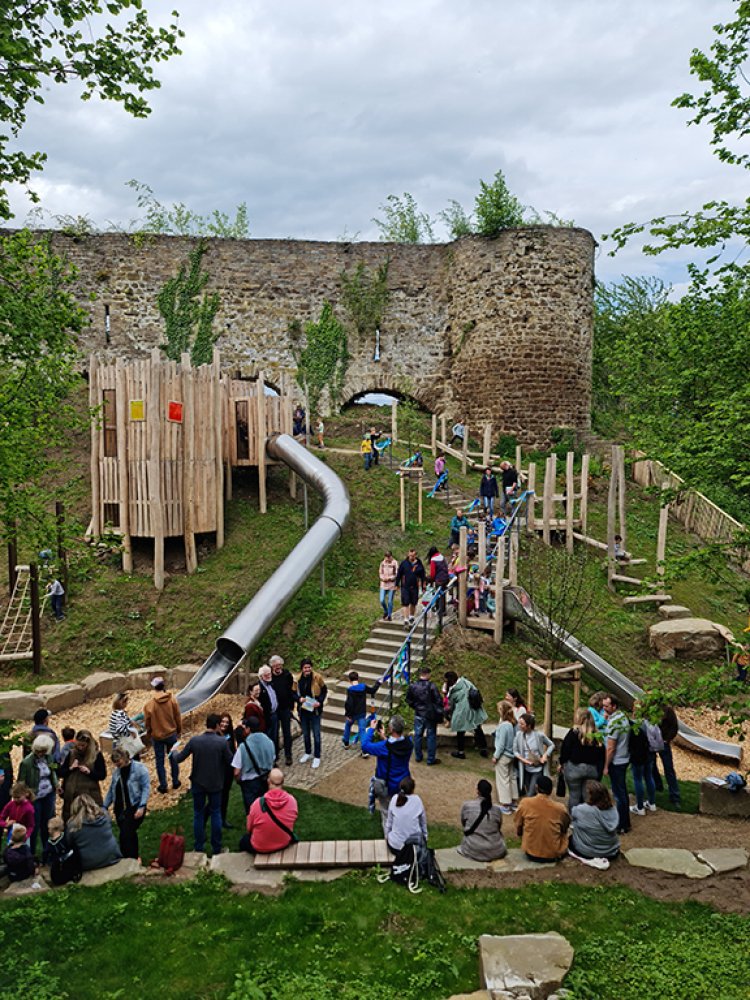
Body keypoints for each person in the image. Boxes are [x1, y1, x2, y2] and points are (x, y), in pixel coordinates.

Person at [172, 713, 233, 855]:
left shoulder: (195, 741)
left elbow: (179, 758)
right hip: (216, 783)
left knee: (198, 814)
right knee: (216, 813)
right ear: (218, 725)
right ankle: (217, 848)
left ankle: (199, 847)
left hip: (198, 783)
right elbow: (231, 761)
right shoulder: (222, 742)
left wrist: (174, 752)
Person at [362, 715, 413, 830]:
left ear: (391, 729)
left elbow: (365, 746)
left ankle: (390, 840)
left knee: (386, 812)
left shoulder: (384, 747)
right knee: (400, 810)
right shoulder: (409, 743)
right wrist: (384, 737)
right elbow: (395, 747)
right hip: (403, 783)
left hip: (386, 784)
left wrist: (371, 729)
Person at [103, 747, 150, 859]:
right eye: (114, 762)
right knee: (128, 834)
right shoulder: (116, 772)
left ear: (125, 758)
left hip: (134, 806)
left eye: (118, 761)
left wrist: (142, 806)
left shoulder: (139, 769)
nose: (116, 764)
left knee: (126, 834)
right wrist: (105, 806)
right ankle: (133, 858)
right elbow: (112, 789)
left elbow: (145, 788)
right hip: (120, 809)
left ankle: (129, 857)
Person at [18, 734, 58, 861]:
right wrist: (27, 794)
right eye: (40, 751)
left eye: (44, 751)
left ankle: (48, 852)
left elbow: (53, 772)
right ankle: (32, 854)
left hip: (49, 795)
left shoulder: (49, 758)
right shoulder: (26, 763)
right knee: (33, 826)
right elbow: (21, 782)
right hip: (35, 798)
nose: (42, 753)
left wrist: (56, 785)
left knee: (48, 824)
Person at [514, 775, 570, 862]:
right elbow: (565, 827)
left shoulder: (525, 803)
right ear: (551, 791)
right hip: (553, 853)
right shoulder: (560, 808)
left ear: (536, 787)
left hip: (531, 852)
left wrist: (521, 834)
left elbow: (518, 824)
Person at [240, 768, 298, 854]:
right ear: (283, 782)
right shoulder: (292, 801)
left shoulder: (257, 804)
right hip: (284, 842)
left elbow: (249, 828)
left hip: (260, 847)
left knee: (243, 841)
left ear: (268, 781)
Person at [559, 708, 605, 810]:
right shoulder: (597, 735)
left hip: (574, 769)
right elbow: (601, 754)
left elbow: (565, 750)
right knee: (588, 797)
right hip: (591, 769)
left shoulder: (573, 733)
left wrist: (562, 763)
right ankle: (587, 819)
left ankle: (574, 820)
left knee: (574, 796)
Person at [143, 677, 182, 794]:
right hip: (171, 734)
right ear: (163, 686)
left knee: (160, 761)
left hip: (158, 737)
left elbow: (147, 723)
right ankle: (176, 782)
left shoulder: (149, 705)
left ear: (154, 688)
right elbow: (178, 717)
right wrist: (178, 730)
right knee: (173, 758)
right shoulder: (173, 700)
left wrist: (149, 733)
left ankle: (163, 785)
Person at [58, 730, 107, 823]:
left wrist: (89, 772)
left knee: (89, 820)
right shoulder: (72, 753)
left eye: (83, 746)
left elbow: (102, 775)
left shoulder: (96, 755)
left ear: (88, 744)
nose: (80, 748)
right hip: (71, 794)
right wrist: (70, 768)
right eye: (78, 745)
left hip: (89, 794)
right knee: (70, 821)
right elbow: (61, 772)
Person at [569, 781, 620, 865]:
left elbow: (573, 813)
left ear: (592, 796)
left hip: (589, 852)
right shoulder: (613, 810)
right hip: (611, 851)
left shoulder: (583, 810)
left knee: (574, 829)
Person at [65, 794, 122, 871]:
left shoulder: (73, 825)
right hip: (111, 857)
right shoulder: (105, 815)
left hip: (87, 863)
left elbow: (68, 842)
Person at [232, 716, 275, 813]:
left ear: (248, 729)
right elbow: (273, 759)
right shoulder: (269, 742)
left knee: (252, 812)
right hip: (266, 779)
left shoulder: (243, 747)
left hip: (249, 784)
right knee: (265, 808)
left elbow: (236, 772)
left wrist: (238, 780)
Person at [458, 779, 507, 862]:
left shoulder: (467, 806)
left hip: (472, 849)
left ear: (478, 791)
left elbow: (464, 823)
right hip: (496, 850)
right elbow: (498, 827)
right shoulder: (496, 810)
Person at [602, 693, 631, 834]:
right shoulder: (622, 717)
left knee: (618, 794)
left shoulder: (614, 724)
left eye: (607, 706)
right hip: (624, 758)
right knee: (622, 791)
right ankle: (626, 822)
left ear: (614, 706)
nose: (604, 708)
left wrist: (606, 765)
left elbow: (611, 747)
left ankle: (621, 824)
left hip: (616, 761)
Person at [444, 670, 488, 759]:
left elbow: (450, 704)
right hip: (474, 709)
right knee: (478, 728)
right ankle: (483, 749)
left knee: (460, 731)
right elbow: (475, 690)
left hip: (462, 712)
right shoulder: (466, 682)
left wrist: (445, 692)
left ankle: (461, 752)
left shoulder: (453, 691)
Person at [406, 666, 443, 766]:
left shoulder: (413, 686)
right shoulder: (432, 686)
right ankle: (430, 759)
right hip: (430, 715)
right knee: (431, 736)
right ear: (428, 674)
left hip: (418, 713)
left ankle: (418, 756)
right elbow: (438, 700)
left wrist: (416, 707)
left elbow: (408, 700)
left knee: (418, 736)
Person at [294, 657, 327, 768]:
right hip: (303, 710)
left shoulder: (317, 677)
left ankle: (317, 756)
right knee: (306, 734)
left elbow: (324, 690)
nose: (307, 669)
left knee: (316, 734)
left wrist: (320, 702)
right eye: (305, 667)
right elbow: (293, 693)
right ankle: (308, 752)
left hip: (315, 710)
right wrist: (299, 699)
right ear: (302, 669)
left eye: (309, 667)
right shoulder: (297, 679)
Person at [513, 712, 554, 796]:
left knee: (530, 793)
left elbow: (551, 745)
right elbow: (515, 751)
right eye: (519, 723)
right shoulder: (518, 735)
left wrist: (546, 755)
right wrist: (524, 761)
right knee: (529, 791)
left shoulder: (539, 735)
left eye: (522, 724)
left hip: (537, 769)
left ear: (529, 726)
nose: (519, 725)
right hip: (525, 769)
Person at [385, 777, 427, 853]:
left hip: (394, 846)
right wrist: (425, 838)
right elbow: (423, 823)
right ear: (413, 789)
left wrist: (387, 837)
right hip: (413, 848)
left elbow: (389, 823)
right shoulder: (417, 800)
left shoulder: (394, 799)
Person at [343, 671, 382, 752]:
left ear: (349, 680)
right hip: (361, 713)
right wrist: (378, 683)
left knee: (347, 726)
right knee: (362, 730)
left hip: (352, 714)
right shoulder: (363, 687)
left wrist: (348, 714)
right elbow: (372, 691)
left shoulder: (350, 690)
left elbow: (349, 703)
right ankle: (364, 750)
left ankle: (346, 743)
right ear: (358, 678)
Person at [628, 708, 656, 817]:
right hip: (649, 754)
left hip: (638, 756)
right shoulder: (650, 723)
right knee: (649, 777)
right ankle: (652, 803)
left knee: (638, 779)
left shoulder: (635, 725)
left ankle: (640, 807)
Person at [492, 700, 519, 814]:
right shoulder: (512, 724)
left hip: (503, 756)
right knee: (511, 777)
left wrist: (495, 756)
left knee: (503, 780)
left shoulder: (504, 726)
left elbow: (501, 744)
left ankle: (505, 804)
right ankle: (513, 801)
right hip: (510, 755)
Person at [653, 704, 681, 809]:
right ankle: (657, 785)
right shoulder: (650, 710)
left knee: (668, 768)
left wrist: (667, 739)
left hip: (664, 742)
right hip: (653, 741)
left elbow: (674, 727)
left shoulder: (668, 711)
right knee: (651, 765)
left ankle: (675, 796)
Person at [270, 654, 295, 767]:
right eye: (275, 665)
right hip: (274, 710)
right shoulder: (269, 677)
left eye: (279, 665)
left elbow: (291, 691)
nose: (277, 667)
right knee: (274, 734)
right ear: (272, 666)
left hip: (285, 709)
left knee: (287, 733)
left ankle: (288, 755)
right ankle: (275, 755)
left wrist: (291, 707)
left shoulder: (287, 675)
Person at [395, 548, 426, 626]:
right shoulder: (404, 563)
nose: (411, 557)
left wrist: (423, 586)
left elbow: (422, 576)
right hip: (405, 586)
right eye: (410, 555)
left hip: (415, 586)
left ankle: (411, 616)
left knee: (413, 602)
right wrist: (396, 584)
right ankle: (406, 619)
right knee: (405, 603)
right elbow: (399, 574)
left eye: (413, 555)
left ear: (415, 555)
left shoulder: (419, 564)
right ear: (408, 554)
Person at [217, 713, 237, 826]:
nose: (224, 724)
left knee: (225, 796)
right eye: (222, 721)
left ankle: (223, 818)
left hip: (228, 771)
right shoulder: (215, 736)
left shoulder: (230, 735)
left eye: (227, 722)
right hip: (218, 771)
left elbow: (233, 751)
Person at [0, 782, 35, 846]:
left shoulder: (29, 808)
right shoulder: (10, 804)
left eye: (18, 797)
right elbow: (1, 818)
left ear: (25, 794)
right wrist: (6, 824)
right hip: (12, 835)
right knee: (10, 853)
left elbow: (31, 826)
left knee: (23, 854)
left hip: (23, 837)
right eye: (14, 797)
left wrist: (26, 836)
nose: (16, 799)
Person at [258, 664, 279, 751]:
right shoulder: (259, 687)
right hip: (267, 716)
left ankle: (275, 754)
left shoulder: (271, 683)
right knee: (268, 737)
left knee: (275, 736)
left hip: (275, 714)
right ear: (261, 676)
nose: (268, 676)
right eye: (266, 675)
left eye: (269, 673)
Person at [378, 550, 398, 621]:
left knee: (390, 601)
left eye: (389, 557)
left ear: (391, 556)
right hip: (383, 584)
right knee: (382, 600)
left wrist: (390, 578)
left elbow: (396, 574)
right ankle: (386, 611)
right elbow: (380, 572)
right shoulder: (382, 563)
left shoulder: (395, 563)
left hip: (391, 585)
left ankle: (389, 615)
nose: (387, 559)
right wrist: (382, 578)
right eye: (386, 557)